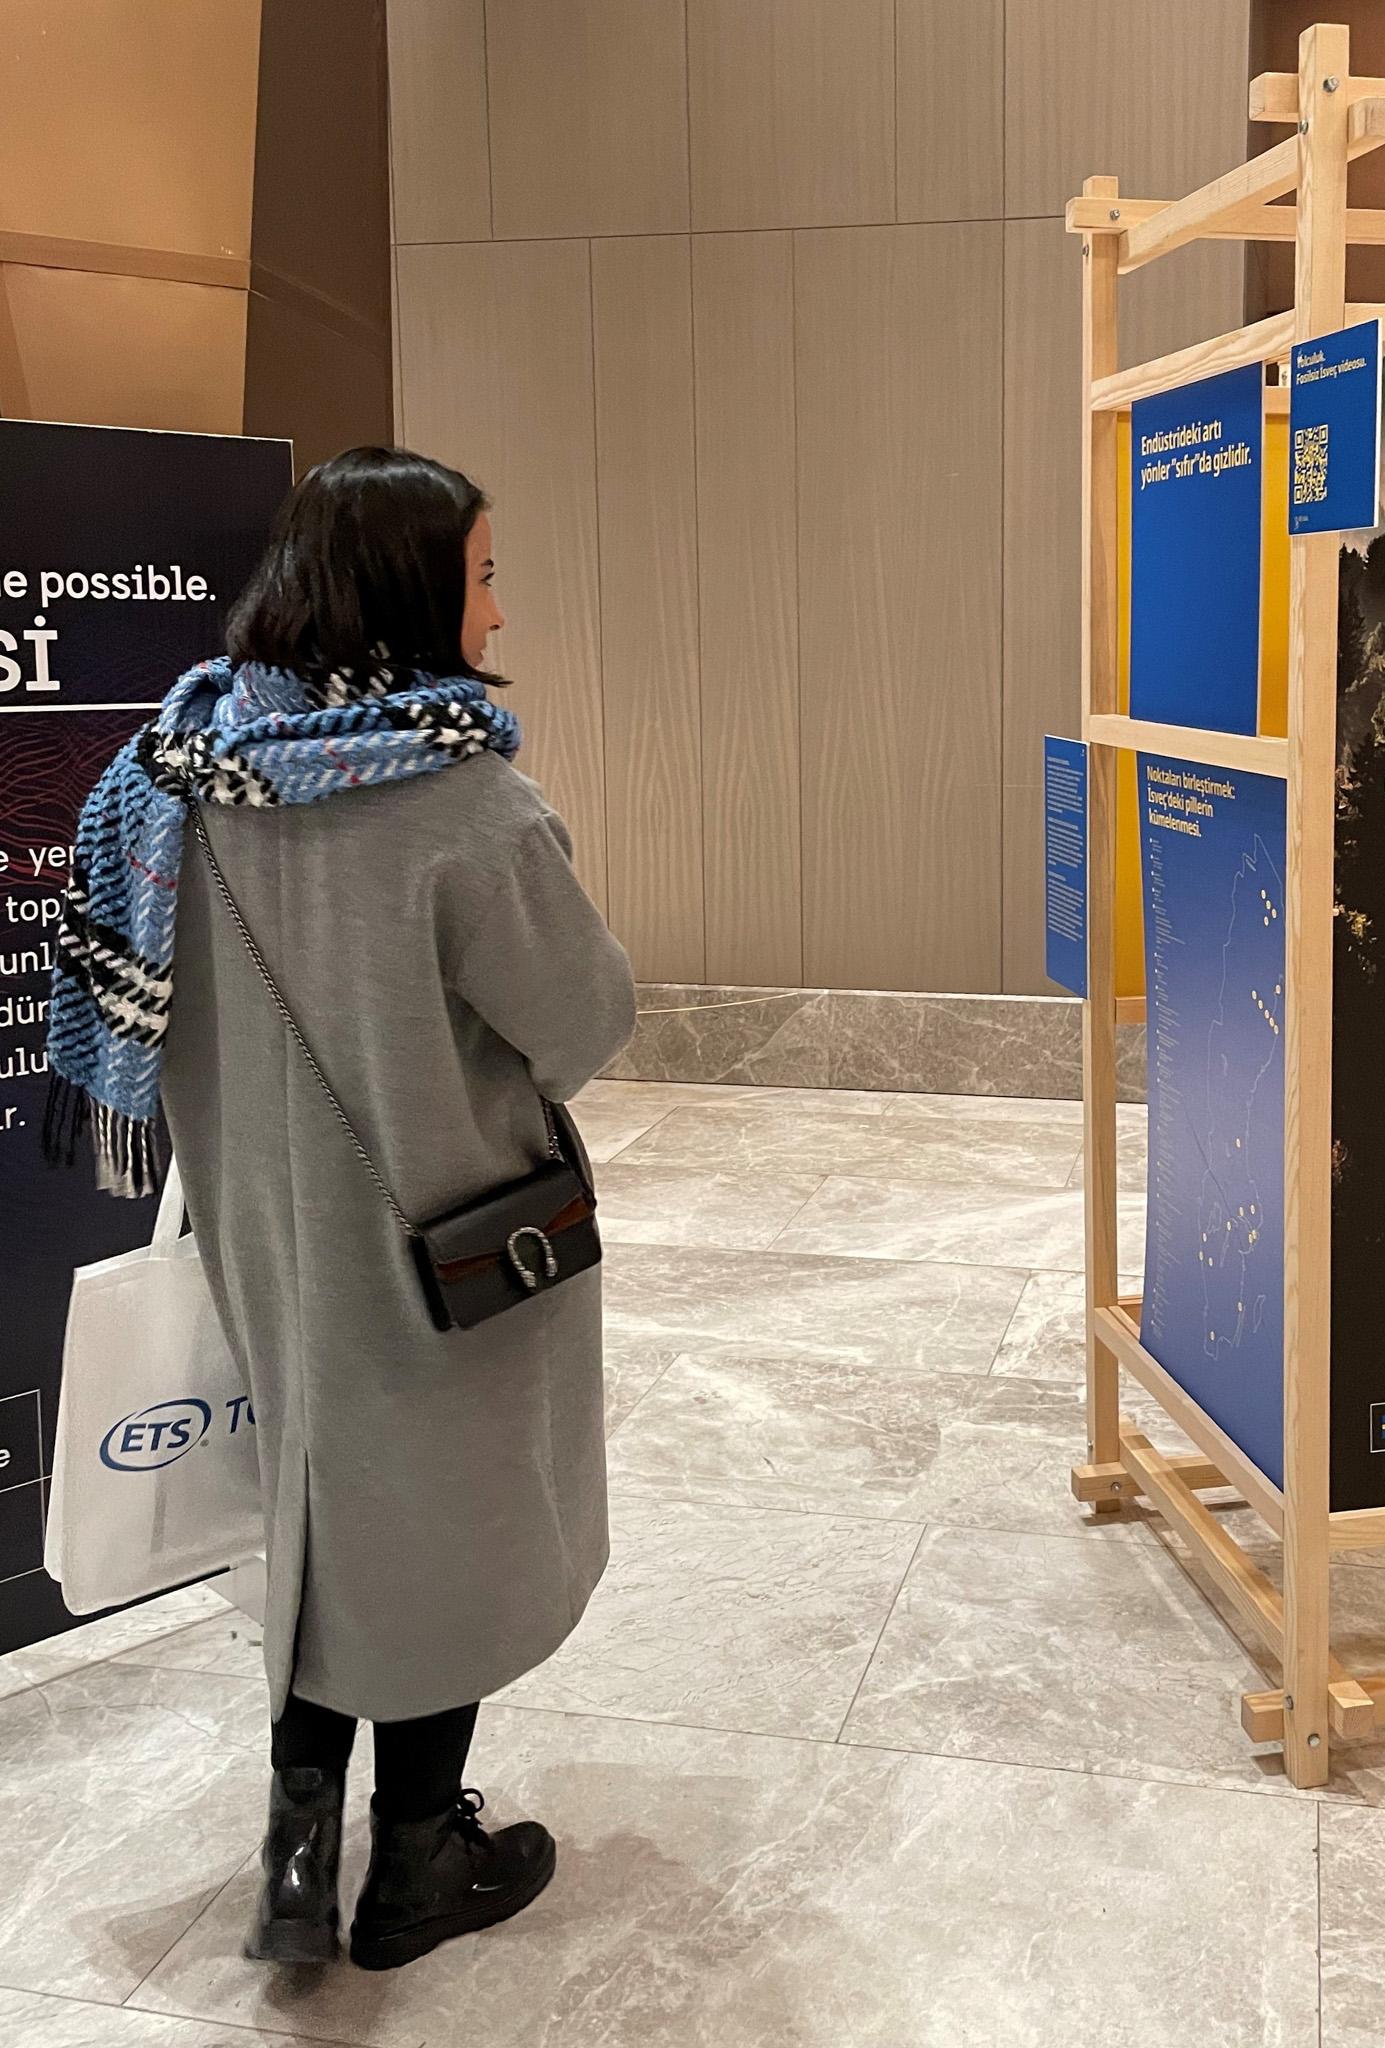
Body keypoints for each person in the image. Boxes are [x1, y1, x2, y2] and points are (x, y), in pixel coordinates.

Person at [44, 447, 636, 1971]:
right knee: (443, 1530)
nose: (498, 611)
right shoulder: (462, 802)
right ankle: (420, 1860)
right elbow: (583, 1023)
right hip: (450, 1237)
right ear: (406, 590)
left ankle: (301, 1839)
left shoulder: (168, 770)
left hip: (262, 1228)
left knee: (318, 1517)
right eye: (484, 575)